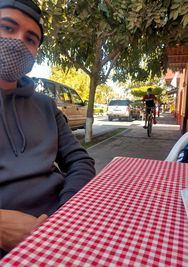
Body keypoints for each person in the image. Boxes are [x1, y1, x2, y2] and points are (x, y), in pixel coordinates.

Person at [0, 0, 95, 256]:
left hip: (62, 224)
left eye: (31, 39)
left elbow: (80, 161)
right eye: (7, 28)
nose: (19, 41)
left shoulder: (45, 105)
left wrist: (64, 215)